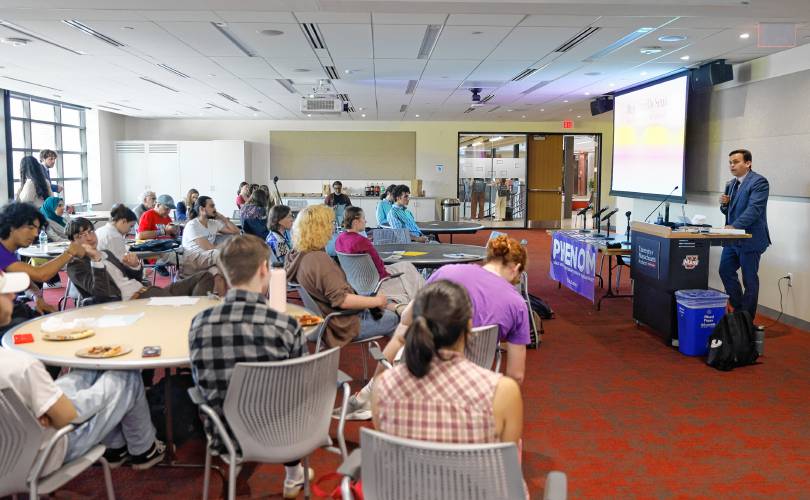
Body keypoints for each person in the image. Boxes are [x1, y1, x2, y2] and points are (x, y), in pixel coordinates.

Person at [0, 272, 167, 473]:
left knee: (86, 371)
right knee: (126, 374)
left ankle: (119, 448)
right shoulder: (21, 365)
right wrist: (52, 411)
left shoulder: (14, 363)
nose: (13, 296)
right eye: (5, 292)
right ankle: (143, 448)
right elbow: (68, 417)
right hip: (44, 453)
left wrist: (43, 409)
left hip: (13, 446)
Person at [189, 235, 312, 499]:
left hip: (224, 435)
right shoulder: (286, 325)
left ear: (223, 273)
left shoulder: (199, 323)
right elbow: (301, 385)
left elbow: (201, 380)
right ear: (263, 270)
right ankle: (294, 473)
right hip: (284, 435)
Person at [371, 280, 523, 446]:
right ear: (469, 325)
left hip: (409, 472)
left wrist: (401, 330)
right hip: (472, 472)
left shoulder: (384, 386)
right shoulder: (501, 390)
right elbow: (508, 462)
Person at [285, 205, 398, 347]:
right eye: (331, 223)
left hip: (326, 318)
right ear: (320, 228)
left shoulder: (297, 255)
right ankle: (401, 365)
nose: (333, 228)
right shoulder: (319, 260)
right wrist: (376, 301)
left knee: (382, 306)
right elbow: (342, 300)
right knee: (395, 318)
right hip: (341, 325)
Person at [66, 217, 217, 302]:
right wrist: (96, 261)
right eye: (81, 236)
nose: (89, 237)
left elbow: (133, 278)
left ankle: (190, 313)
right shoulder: (76, 265)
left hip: (147, 291)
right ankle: (191, 315)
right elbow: (102, 295)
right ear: (73, 242)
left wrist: (135, 267)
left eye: (90, 232)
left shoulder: (105, 253)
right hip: (134, 300)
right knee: (189, 303)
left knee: (204, 277)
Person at [0, 202, 86, 316]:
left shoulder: (10, 251)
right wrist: (69, 252)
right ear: (12, 226)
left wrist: (37, 298)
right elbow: (40, 275)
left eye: (37, 229)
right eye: (30, 228)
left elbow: (26, 282)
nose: (36, 234)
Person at [718, 148, 771, 319]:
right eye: (730, 162)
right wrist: (724, 205)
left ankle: (746, 320)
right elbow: (730, 211)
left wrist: (734, 226)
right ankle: (740, 310)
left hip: (751, 239)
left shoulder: (759, 182)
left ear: (748, 163)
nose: (732, 165)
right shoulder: (731, 184)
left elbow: (754, 210)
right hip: (733, 239)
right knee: (725, 271)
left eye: (736, 161)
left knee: (749, 280)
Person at [335, 206, 424, 305]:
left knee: (406, 266)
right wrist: (388, 276)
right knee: (408, 270)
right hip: (374, 280)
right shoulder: (362, 241)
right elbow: (379, 267)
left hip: (356, 281)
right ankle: (422, 300)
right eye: (363, 218)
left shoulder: (339, 239)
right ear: (356, 222)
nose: (366, 221)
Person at [181, 196, 240, 276]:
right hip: (194, 258)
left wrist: (223, 218)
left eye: (214, 206)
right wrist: (228, 244)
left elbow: (236, 232)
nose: (215, 209)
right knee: (222, 253)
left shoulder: (213, 223)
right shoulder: (192, 225)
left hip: (209, 257)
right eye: (212, 206)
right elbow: (209, 248)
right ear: (202, 209)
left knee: (218, 275)